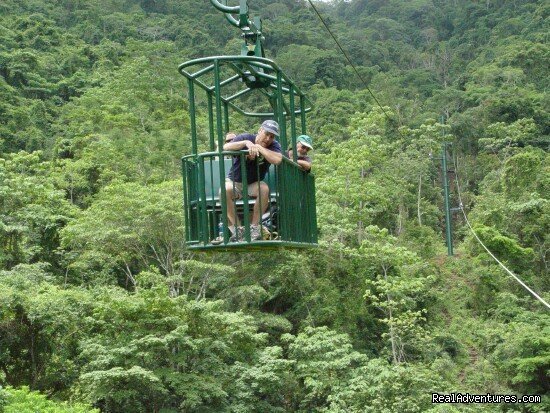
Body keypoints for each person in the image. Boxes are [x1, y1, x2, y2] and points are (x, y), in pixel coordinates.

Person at [212, 120, 282, 243]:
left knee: (264, 188)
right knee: (224, 190)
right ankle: (238, 230)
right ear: (260, 130)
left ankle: (254, 227)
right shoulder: (246, 137)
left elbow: (277, 159)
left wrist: (259, 148)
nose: (268, 138)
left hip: (253, 183)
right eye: (266, 134)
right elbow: (225, 147)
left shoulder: (274, 145)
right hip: (235, 181)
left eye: (272, 136)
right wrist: (246, 144)